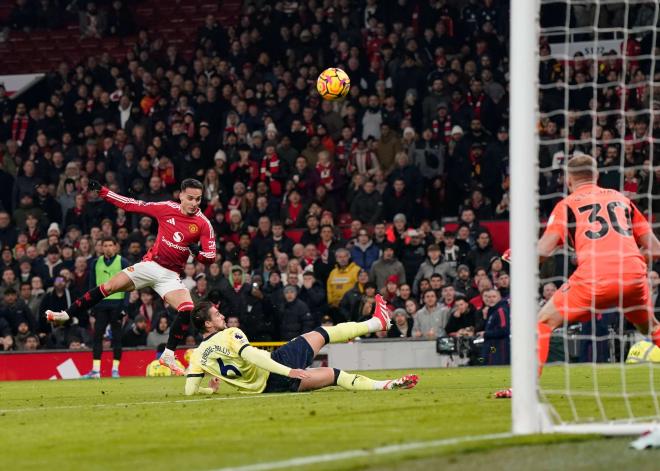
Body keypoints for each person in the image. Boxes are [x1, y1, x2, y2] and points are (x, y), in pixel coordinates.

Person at [499, 155, 660, 397]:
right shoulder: (622, 199)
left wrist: (519, 256)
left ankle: (524, 389)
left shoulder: (567, 204)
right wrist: (633, 263)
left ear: (568, 180)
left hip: (595, 276)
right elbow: (655, 249)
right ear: (596, 176)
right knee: (652, 328)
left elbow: (543, 251)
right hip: (633, 275)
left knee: (543, 322)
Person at [46, 178, 216, 374]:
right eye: (190, 198)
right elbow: (132, 204)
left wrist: (197, 253)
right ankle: (65, 315)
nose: (195, 204)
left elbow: (210, 257)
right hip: (150, 265)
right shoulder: (166, 208)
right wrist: (103, 192)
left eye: (198, 199)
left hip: (170, 276)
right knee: (108, 287)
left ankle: (168, 355)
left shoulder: (203, 224)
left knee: (187, 308)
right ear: (180, 196)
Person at [185, 294, 418, 395]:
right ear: (208, 323)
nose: (222, 316)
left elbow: (189, 391)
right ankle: (378, 322)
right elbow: (253, 357)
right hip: (277, 366)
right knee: (324, 333)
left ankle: (386, 385)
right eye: (216, 315)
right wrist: (288, 370)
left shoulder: (197, 355)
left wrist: (210, 390)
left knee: (335, 376)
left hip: (269, 389)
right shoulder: (230, 334)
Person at [81, 236, 130, 379]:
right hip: (101, 305)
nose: (108, 248)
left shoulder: (123, 262)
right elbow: (91, 286)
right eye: (105, 245)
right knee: (97, 337)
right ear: (101, 248)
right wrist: (90, 304)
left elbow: (128, 285)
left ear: (116, 247)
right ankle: (96, 370)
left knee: (117, 338)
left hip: (117, 304)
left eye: (110, 245)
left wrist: (125, 306)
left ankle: (115, 370)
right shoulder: (95, 263)